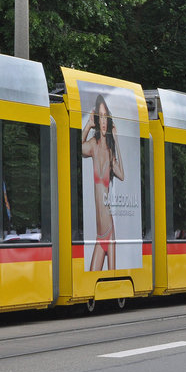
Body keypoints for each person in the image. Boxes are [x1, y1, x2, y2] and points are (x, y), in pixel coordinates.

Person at [82, 93, 124, 271]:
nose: (104, 120)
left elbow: (121, 174)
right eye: (100, 117)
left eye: (106, 116)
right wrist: (87, 125)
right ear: (98, 121)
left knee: (112, 278)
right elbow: (75, 147)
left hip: (109, 229)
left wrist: (116, 140)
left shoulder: (110, 151)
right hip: (100, 234)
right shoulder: (92, 145)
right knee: (92, 276)